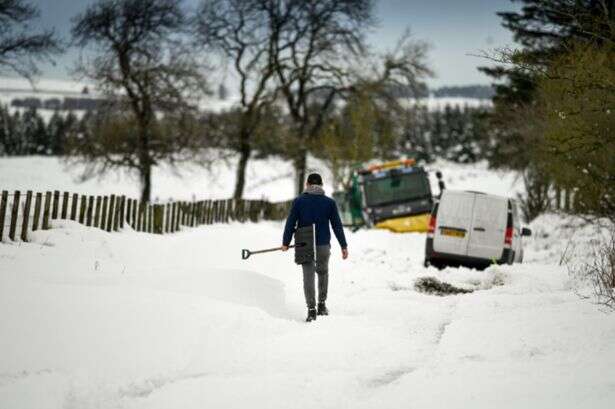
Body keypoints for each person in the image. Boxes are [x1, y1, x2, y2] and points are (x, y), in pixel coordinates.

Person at [282, 173, 348, 322]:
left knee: (308, 277)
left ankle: (311, 310)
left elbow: (290, 223)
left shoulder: (299, 201)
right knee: (323, 273)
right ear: (321, 185)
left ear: (307, 184)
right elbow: (337, 225)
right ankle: (322, 305)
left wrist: (285, 242)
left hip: (304, 244)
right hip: (323, 244)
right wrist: (343, 245)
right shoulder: (329, 203)